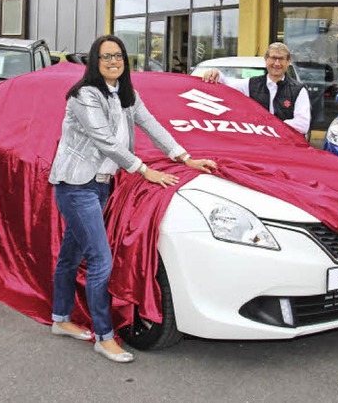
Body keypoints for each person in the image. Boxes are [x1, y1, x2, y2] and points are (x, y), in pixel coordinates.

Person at [48, 35, 217, 363]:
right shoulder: (84, 96)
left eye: (118, 56)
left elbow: (152, 125)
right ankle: (104, 336)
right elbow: (105, 140)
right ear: (94, 63)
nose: (113, 61)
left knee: (71, 254)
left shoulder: (127, 95)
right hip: (75, 186)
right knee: (100, 259)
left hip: (100, 185)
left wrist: (185, 158)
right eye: (106, 56)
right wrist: (144, 170)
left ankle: (60, 318)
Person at [202, 42, 311, 135]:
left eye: (281, 59)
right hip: (258, 145)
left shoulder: (298, 90)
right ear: (266, 59)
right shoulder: (251, 84)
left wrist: (271, 125)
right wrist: (216, 73)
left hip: (286, 147)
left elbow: (302, 124)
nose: (277, 63)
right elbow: (227, 84)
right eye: (273, 58)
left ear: (288, 62)